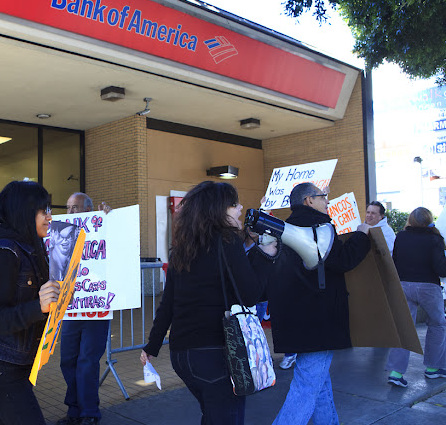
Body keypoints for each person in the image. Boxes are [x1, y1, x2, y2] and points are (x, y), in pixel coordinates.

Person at [140, 181, 277, 425]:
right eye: (234, 204)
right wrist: (266, 254)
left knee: (213, 416)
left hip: (182, 355)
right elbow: (249, 295)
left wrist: (152, 346)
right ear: (218, 209)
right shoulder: (228, 241)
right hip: (217, 354)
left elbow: (168, 302)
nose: (240, 208)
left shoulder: (182, 248)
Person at [269, 182, 371, 425]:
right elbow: (343, 261)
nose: (327, 200)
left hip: (292, 317)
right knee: (307, 384)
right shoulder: (320, 229)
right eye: (322, 196)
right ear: (308, 201)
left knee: (318, 381)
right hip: (319, 318)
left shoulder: (282, 229)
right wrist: (361, 236)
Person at [0, 180, 60, 425]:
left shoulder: (31, 249)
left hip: (21, 363)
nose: (49, 217)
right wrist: (38, 307)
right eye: (44, 210)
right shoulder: (5, 253)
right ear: (24, 211)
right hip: (3, 366)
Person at [57, 192, 111, 425]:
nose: (70, 213)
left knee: (87, 361)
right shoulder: (63, 236)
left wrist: (109, 221)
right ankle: (75, 410)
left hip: (96, 309)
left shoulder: (103, 231)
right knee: (68, 359)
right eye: (68, 208)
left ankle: (89, 413)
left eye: (75, 208)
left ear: (89, 210)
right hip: (71, 309)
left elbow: (118, 247)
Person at [385, 207, 446, 387]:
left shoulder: (401, 237)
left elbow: (394, 262)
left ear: (410, 220)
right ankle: (433, 369)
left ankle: (396, 373)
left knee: (404, 327)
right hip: (429, 287)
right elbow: (441, 270)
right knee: (437, 324)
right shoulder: (435, 239)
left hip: (403, 286)